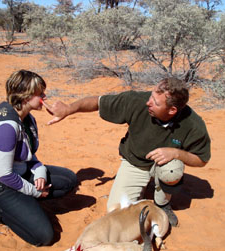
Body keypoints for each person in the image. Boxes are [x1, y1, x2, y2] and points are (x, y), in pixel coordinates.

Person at [43, 77, 211, 226]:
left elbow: (201, 159)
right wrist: (68, 109)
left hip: (163, 164)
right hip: (135, 162)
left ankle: (162, 204)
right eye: (151, 96)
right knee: (117, 213)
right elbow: (98, 102)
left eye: (156, 102)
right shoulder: (137, 101)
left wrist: (176, 153)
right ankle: (140, 191)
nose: (148, 103)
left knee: (172, 170)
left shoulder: (193, 124)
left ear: (172, 110)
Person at [0, 70, 77, 246]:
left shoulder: (27, 119)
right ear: (25, 98)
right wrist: (35, 191)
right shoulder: (6, 127)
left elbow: (29, 157)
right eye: (41, 94)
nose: (45, 97)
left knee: (68, 180)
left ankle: (22, 204)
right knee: (44, 236)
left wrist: (39, 173)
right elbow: (4, 174)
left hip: (18, 174)